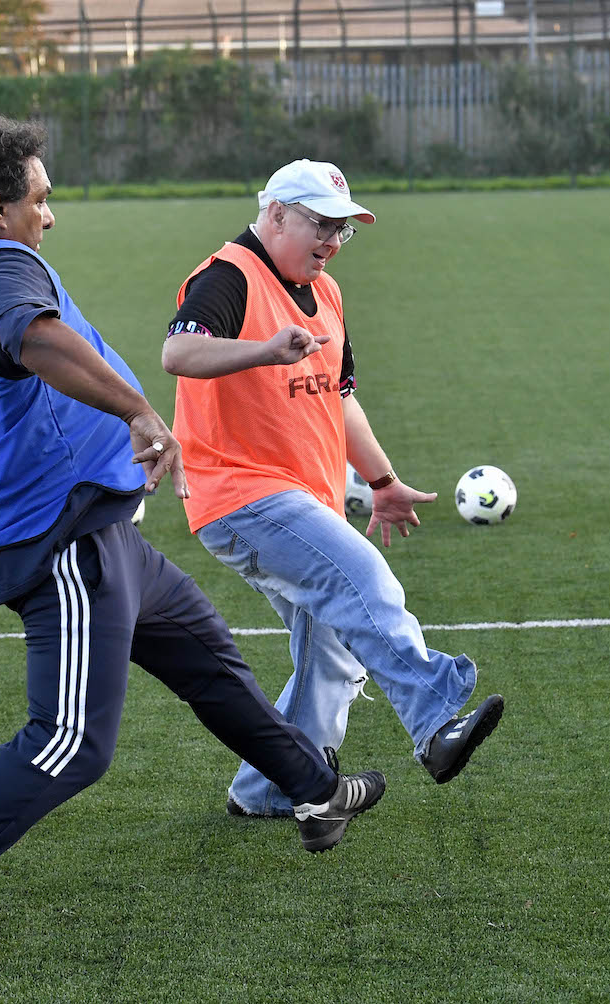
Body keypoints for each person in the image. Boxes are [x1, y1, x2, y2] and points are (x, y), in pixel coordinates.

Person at [0, 116, 385, 983]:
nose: (48, 217)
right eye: (39, 199)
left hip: (84, 527)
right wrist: (137, 410)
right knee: (69, 744)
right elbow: (36, 336)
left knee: (204, 653)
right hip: (59, 529)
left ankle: (312, 785)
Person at [163, 159, 505, 819]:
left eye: (343, 230)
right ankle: (434, 721)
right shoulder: (228, 275)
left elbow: (338, 399)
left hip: (301, 499)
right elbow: (178, 356)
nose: (331, 240)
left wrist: (381, 480)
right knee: (364, 581)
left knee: (333, 653)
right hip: (241, 496)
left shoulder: (328, 293)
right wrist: (263, 349)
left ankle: (268, 790)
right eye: (319, 223)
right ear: (276, 215)